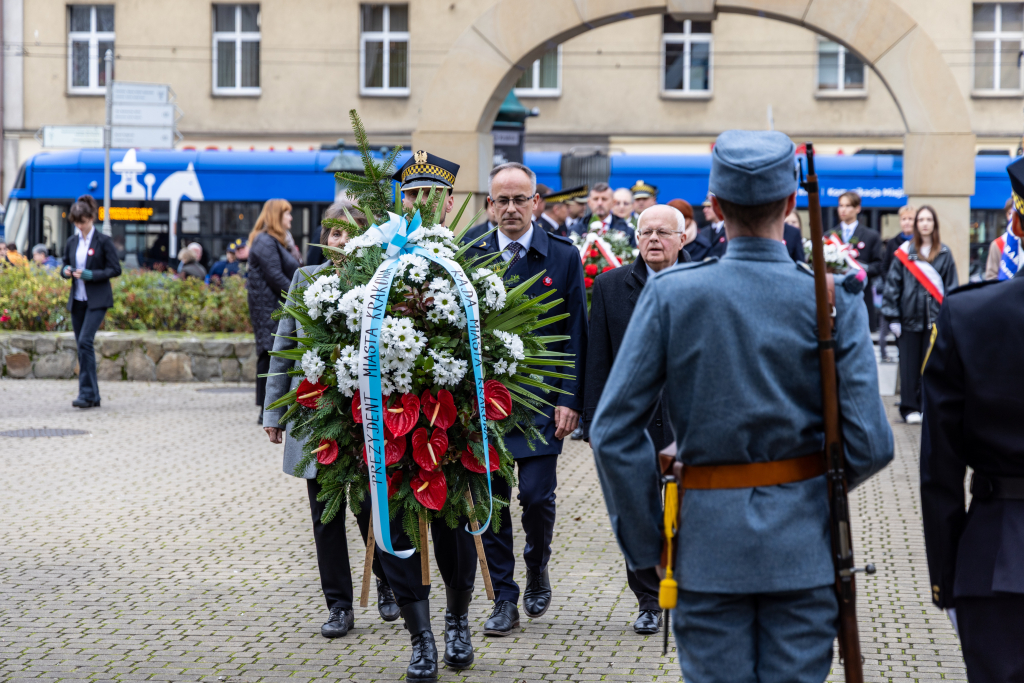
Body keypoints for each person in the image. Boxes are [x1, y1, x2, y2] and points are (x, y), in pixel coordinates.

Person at [591, 130, 893, 683]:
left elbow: (612, 431)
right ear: (789, 204)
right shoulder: (830, 297)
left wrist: (648, 543)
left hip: (706, 551)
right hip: (802, 554)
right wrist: (801, 490)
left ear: (715, 209)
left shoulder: (672, 293)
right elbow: (871, 444)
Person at [364, 150, 485, 680]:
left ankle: (457, 622)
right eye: (410, 195)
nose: (419, 204)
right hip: (390, 416)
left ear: (449, 200)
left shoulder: (473, 259)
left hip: (453, 422)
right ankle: (421, 638)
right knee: (397, 522)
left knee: (456, 529)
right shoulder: (375, 258)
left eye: (429, 195)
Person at [460, 162, 588, 638]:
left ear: (537, 202)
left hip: (539, 403)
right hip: (482, 405)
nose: (511, 208)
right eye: (501, 200)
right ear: (489, 205)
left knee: (535, 497)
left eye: (520, 199)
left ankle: (537, 565)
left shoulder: (562, 256)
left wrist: (570, 398)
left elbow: (576, 333)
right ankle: (505, 597)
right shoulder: (468, 253)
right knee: (490, 503)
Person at [263, 201, 400, 641]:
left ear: (365, 238)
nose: (340, 242)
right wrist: (274, 412)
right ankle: (338, 605)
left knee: (365, 508)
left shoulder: (381, 283)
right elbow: (283, 348)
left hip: (362, 417)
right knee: (325, 516)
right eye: (334, 233)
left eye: (349, 233)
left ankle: (384, 582)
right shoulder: (306, 279)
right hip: (314, 416)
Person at [920, 163, 1024, 682]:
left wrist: (947, 575)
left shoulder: (969, 315)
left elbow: (939, 468)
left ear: (1018, 226)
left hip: (996, 554)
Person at [583, 204, 690, 635]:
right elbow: (598, 359)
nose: (652, 240)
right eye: (645, 232)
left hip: (688, 420)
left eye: (663, 233)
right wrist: (594, 420)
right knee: (637, 509)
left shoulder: (700, 284)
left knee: (688, 510)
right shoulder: (610, 286)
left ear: (683, 239)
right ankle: (648, 598)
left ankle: (685, 591)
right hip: (633, 423)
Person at [881, 206, 958, 425]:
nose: (924, 223)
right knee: (909, 366)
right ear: (916, 225)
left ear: (935, 224)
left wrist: (949, 319)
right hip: (907, 320)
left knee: (932, 367)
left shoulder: (944, 252)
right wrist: (892, 317)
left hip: (935, 321)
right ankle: (909, 408)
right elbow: (892, 286)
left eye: (929, 219)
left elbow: (951, 287)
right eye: (921, 219)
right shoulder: (906, 252)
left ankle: (927, 407)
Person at [60, 195, 122, 409]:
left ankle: (86, 394)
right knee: (82, 346)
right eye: (76, 223)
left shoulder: (103, 241)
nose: (80, 226)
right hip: (77, 300)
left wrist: (91, 275)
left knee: (85, 341)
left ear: (91, 218)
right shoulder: (72, 241)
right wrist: (65, 271)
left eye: (83, 222)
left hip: (97, 300)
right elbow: (65, 264)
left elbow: (115, 269)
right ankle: (93, 395)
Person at [249, 199, 300, 424]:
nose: (290, 218)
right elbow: (276, 277)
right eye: (287, 214)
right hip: (268, 308)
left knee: (270, 355)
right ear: (276, 217)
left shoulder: (274, 242)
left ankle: (269, 407)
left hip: (272, 307)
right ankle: (266, 410)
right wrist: (301, 296)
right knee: (268, 354)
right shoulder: (265, 241)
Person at [827, 192, 884, 330]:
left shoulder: (871, 236)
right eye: (841, 206)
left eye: (848, 206)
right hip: (836, 294)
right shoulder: (829, 235)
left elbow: (879, 265)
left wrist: (860, 269)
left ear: (857, 208)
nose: (843, 210)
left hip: (862, 294)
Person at [879, 204, 917, 362]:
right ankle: (884, 353)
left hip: (912, 296)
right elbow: (885, 267)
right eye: (904, 219)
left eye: (910, 219)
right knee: (887, 327)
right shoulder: (893, 243)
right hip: (895, 294)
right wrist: (893, 285)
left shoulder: (919, 243)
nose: (907, 222)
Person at [983, 198, 1014, 281]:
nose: (1012, 217)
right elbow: (991, 277)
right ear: (1006, 215)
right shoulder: (998, 244)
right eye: (1010, 213)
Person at [698, 193, 728, 258]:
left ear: (718, 207)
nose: (704, 210)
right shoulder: (703, 232)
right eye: (705, 207)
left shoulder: (729, 231)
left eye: (709, 206)